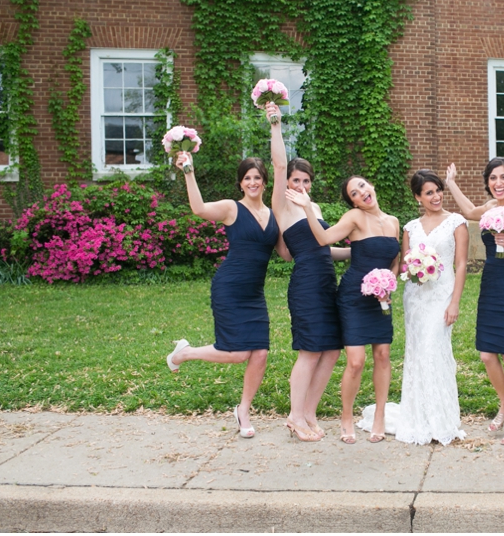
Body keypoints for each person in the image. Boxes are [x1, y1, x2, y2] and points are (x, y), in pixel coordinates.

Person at [165, 151, 289, 439]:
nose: (253, 182)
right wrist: (188, 172)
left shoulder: (273, 215)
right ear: (240, 183)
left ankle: (243, 410)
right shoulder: (231, 209)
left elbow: (285, 254)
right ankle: (185, 353)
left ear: (265, 182)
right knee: (236, 353)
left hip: (254, 293)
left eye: (258, 177)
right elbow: (198, 208)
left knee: (260, 353)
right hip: (230, 288)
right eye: (248, 178)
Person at [286, 175, 399, 445]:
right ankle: (346, 417)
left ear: (371, 185)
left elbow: (395, 260)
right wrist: (306, 207)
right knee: (356, 361)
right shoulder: (354, 218)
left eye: (362, 187)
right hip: (353, 297)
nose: (361, 193)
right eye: (354, 194)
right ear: (353, 202)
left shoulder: (394, 222)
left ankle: (379, 417)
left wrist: (389, 283)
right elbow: (323, 238)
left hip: (381, 298)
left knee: (383, 356)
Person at [266, 103, 350, 442]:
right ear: (287, 183)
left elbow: (325, 248)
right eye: (295, 180)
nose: (300, 184)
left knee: (331, 349)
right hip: (306, 284)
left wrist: (359, 252)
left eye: (305, 180)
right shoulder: (283, 204)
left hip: (326, 279)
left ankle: (310, 412)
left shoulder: (312, 207)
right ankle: (294, 415)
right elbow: (279, 163)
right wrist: (275, 125)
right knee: (310, 350)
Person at [445, 157, 504, 445]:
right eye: (492, 179)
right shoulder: (488, 208)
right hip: (490, 286)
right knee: (487, 355)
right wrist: (451, 183)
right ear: (488, 183)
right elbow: (468, 210)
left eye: (503, 177)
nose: (498, 183)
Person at [394, 169, 468, 445]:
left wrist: (455, 302)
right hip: (415, 298)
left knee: (434, 350)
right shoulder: (410, 227)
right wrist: (415, 269)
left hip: (442, 297)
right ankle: (418, 418)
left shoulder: (456, 222)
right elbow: (405, 263)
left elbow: (460, 264)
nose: (436, 196)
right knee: (417, 354)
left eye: (438, 190)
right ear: (418, 197)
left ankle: (442, 420)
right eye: (429, 192)